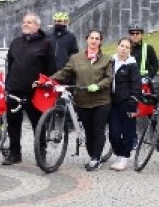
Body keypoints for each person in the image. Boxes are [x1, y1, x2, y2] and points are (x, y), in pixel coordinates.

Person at [48, 29, 113, 171]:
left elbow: (109, 77)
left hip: (101, 100)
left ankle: (96, 159)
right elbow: (64, 72)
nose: (94, 41)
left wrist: (98, 85)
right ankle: (93, 156)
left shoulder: (107, 59)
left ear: (100, 42)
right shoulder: (76, 58)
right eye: (91, 38)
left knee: (98, 130)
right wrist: (49, 80)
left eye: (97, 38)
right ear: (87, 39)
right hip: (82, 100)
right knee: (88, 131)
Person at [2, 13, 56, 165]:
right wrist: (7, 85)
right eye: (24, 22)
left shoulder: (46, 43)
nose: (25, 24)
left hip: (34, 92)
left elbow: (51, 67)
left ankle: (41, 153)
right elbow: (10, 64)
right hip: (14, 90)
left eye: (29, 22)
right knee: (13, 124)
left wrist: (46, 84)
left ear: (37, 26)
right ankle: (14, 154)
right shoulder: (16, 42)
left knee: (38, 124)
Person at [108, 38, 139, 171]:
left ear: (129, 50)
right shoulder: (111, 62)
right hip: (112, 102)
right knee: (113, 133)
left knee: (127, 131)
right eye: (122, 46)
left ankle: (124, 157)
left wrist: (132, 104)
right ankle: (118, 153)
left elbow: (136, 86)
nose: (124, 49)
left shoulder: (132, 65)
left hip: (127, 102)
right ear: (117, 47)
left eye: (127, 47)